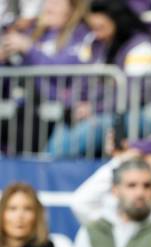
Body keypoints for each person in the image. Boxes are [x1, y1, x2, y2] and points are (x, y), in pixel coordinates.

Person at [47, 0, 151, 158]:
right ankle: (49, 167)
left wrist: (93, 109)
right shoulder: (94, 44)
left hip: (133, 112)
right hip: (98, 112)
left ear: (116, 20)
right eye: (92, 27)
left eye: (100, 27)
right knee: (64, 127)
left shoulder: (142, 47)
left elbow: (133, 95)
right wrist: (75, 106)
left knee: (93, 128)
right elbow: (80, 82)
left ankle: (56, 163)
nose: (95, 32)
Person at [0, 0, 89, 154]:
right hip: (23, 110)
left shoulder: (81, 34)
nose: (48, 7)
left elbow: (66, 70)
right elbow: (14, 74)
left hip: (62, 112)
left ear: (72, 8)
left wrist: (29, 49)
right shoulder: (34, 33)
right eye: (47, 2)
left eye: (55, 3)